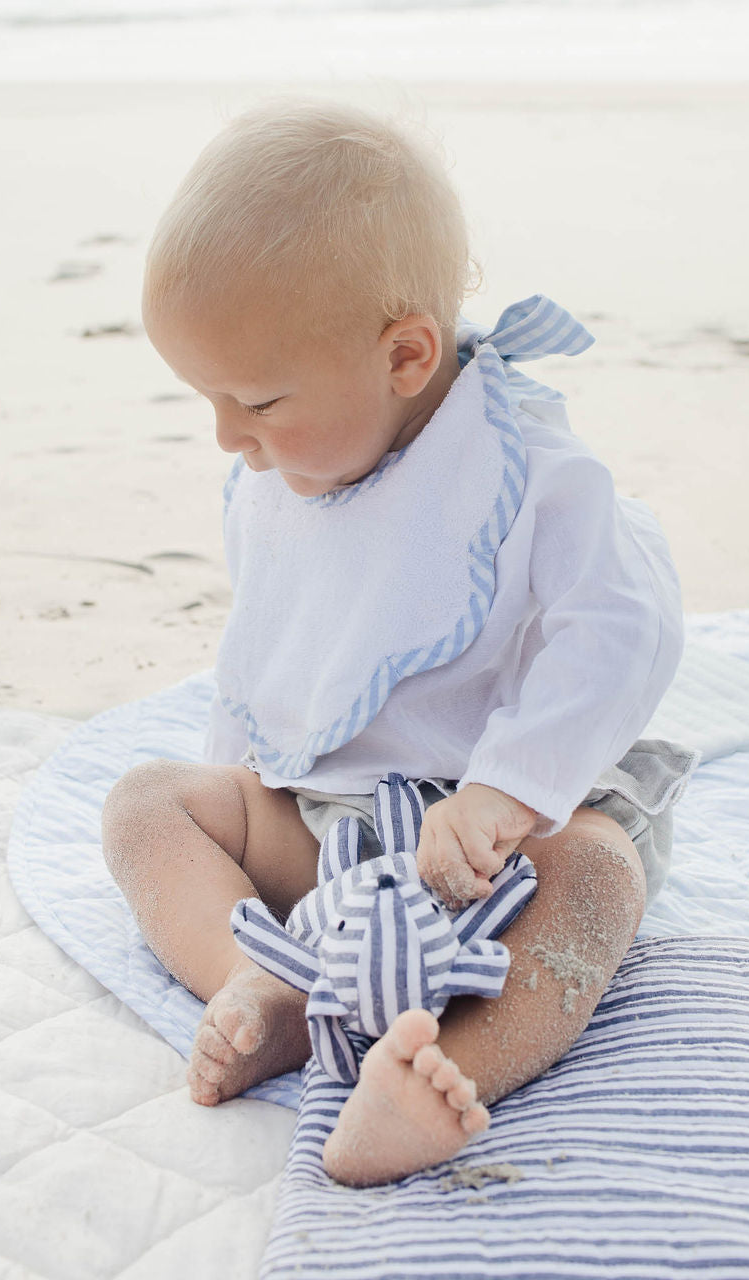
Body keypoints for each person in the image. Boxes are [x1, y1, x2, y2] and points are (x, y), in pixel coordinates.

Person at [102, 100, 695, 1188]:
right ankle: (263, 986)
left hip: (493, 851)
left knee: (598, 876)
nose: (229, 438)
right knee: (146, 803)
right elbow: (277, 639)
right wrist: (248, 770)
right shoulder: (285, 466)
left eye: (256, 400)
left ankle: (436, 1075)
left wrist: (505, 790)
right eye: (211, 402)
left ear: (405, 354)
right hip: (334, 830)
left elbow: (624, 627)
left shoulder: (530, 474)